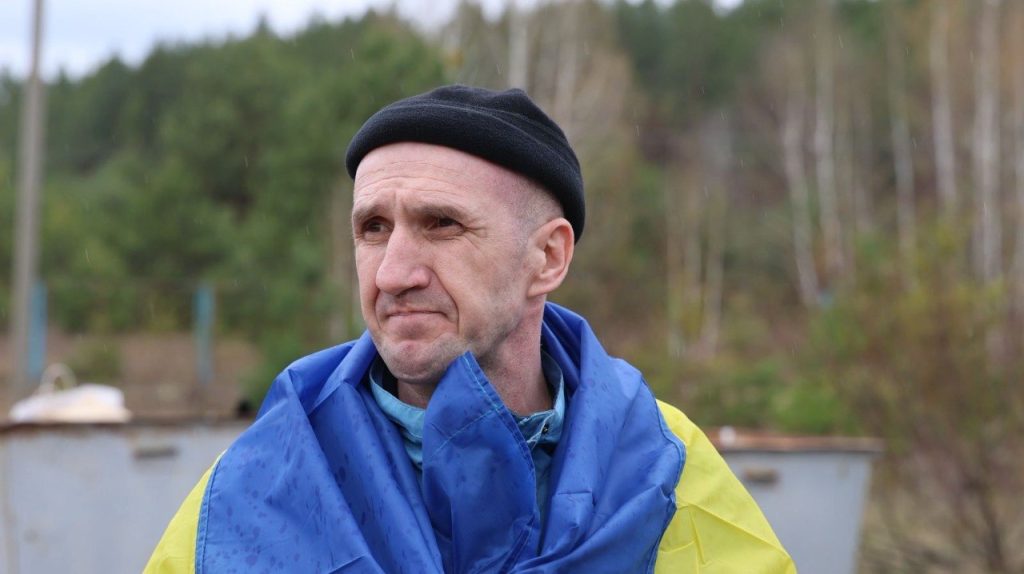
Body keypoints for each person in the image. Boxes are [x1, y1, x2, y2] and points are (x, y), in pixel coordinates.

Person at [146, 85, 795, 573]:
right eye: (373, 228)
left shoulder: (663, 466)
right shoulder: (261, 476)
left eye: (442, 225)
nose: (393, 273)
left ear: (548, 257)